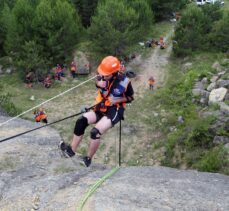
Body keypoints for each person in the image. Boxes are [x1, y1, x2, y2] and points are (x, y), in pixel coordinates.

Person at [59, 56, 134, 167]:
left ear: (114, 73)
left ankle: (88, 159)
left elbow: (131, 97)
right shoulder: (103, 76)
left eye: (106, 75)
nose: (103, 76)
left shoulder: (124, 82)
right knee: (81, 121)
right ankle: (71, 151)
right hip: (102, 105)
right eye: (102, 74)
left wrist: (118, 100)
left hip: (115, 109)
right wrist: (99, 84)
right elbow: (97, 82)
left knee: (95, 132)